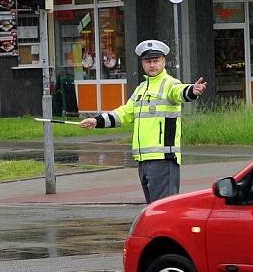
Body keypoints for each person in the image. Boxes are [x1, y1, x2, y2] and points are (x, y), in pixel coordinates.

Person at [80, 40, 207, 203]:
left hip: (163, 158)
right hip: (143, 160)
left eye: (156, 61)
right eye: (148, 61)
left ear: (163, 61)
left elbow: (181, 92)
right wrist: (96, 121)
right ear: (142, 63)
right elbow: (124, 113)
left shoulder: (170, 84)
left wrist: (192, 91)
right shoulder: (141, 89)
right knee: (153, 209)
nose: (152, 65)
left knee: (163, 211)